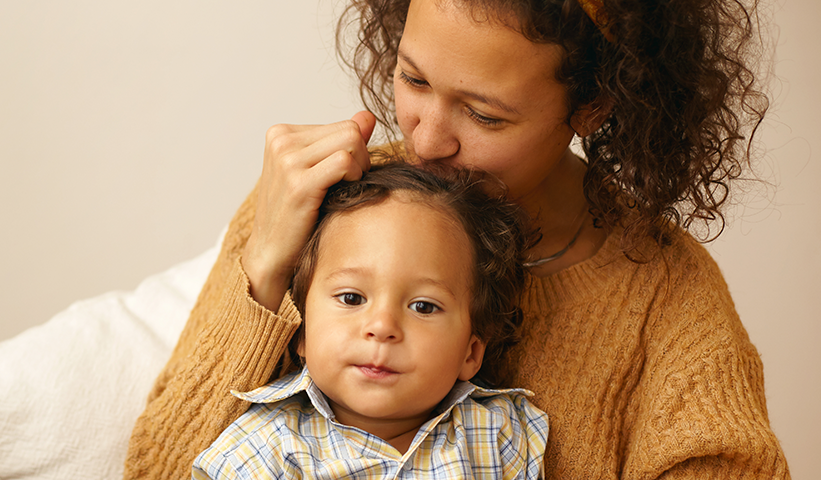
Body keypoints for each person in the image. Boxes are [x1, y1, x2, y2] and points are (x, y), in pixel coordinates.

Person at [125, 0, 789, 477]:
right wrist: (266, 267)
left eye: (482, 114)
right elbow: (156, 468)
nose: (425, 138)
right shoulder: (317, 204)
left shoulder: (665, 292)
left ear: (595, 106)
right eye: (413, 79)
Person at [191, 163, 549, 479]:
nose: (382, 327)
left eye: (423, 307)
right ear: (300, 330)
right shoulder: (266, 448)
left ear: (470, 352)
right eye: (352, 298)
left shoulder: (499, 432)